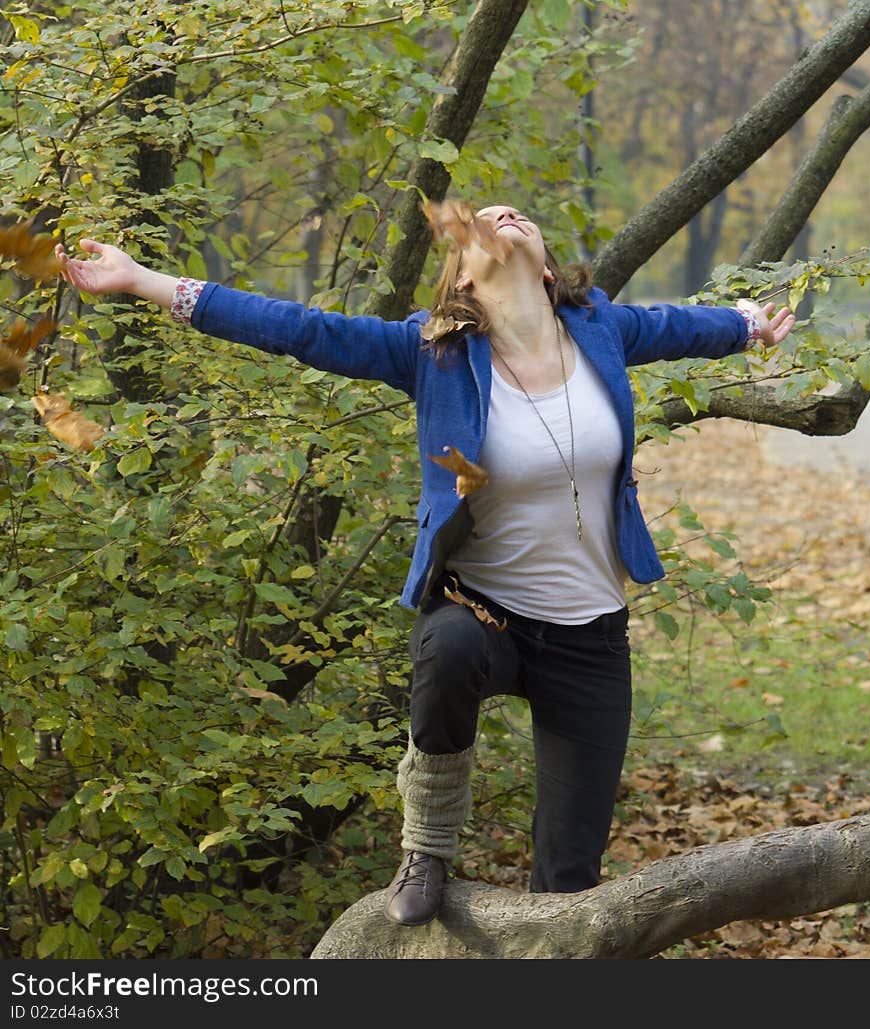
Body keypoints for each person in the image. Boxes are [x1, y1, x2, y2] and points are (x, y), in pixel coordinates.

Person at [56, 204, 795, 928]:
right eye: (482, 223)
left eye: (517, 215)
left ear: (545, 265)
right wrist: (143, 280)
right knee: (447, 646)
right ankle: (427, 849)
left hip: (590, 637)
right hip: (486, 614)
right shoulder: (433, 353)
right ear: (463, 280)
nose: (502, 216)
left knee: (571, 881)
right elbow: (300, 329)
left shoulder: (600, 327)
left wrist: (747, 322)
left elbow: (681, 326)